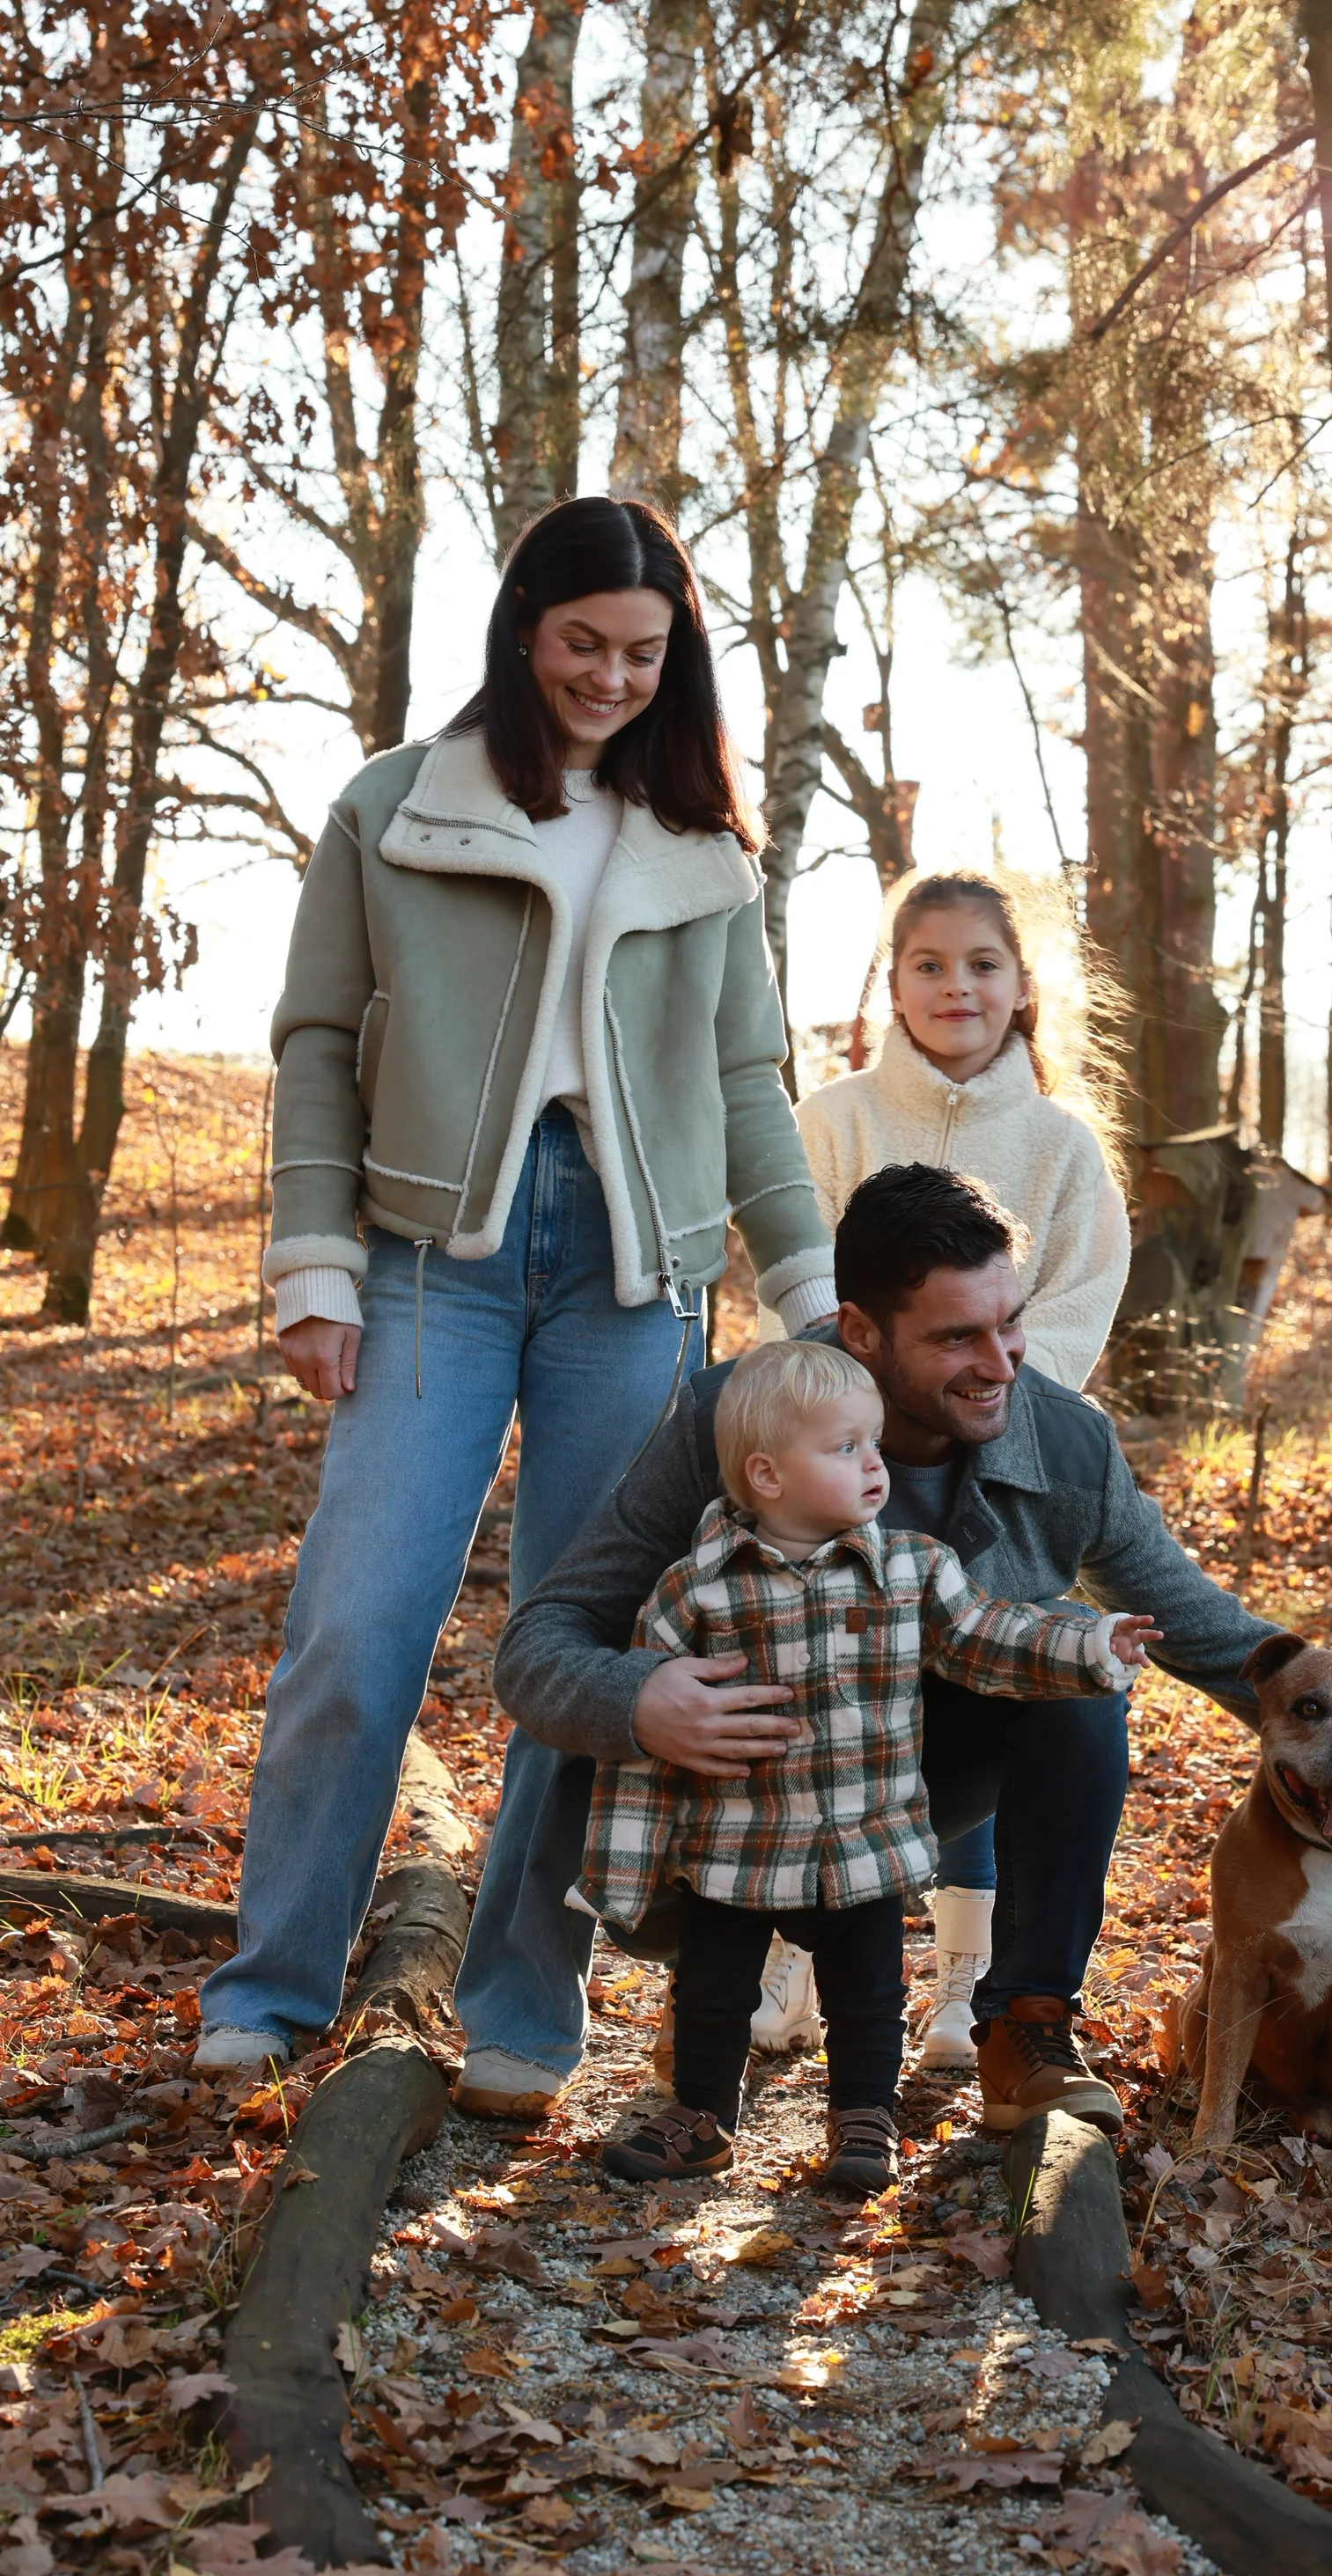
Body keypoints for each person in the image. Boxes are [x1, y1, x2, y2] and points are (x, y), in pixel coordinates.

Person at [195, 496, 835, 2111]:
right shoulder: (397, 807)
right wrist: (313, 1262)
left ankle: (523, 2009)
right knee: (359, 1624)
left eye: (645, 652)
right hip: (430, 1264)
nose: (612, 677)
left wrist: (808, 1286)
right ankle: (271, 1987)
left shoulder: (703, 850)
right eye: (582, 644)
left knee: (584, 1641)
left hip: (636, 1280)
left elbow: (747, 1084)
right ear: (523, 625)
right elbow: (319, 1043)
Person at [495, 1163, 1332, 2137]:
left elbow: (1225, 1643)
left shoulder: (1064, 1447)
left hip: (909, 1789)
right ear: (860, 1333)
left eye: (1008, 1322)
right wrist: (642, 1698)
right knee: (592, 1742)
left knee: (1078, 1669)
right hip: (730, 1796)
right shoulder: (735, 1418)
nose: (1001, 1361)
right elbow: (540, 1640)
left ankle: (1024, 2025)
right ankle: (637, 1993)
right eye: (955, 1337)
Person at [578, 1339, 1154, 2187]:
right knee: (711, 1989)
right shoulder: (694, 1591)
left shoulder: (913, 1570)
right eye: (846, 1447)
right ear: (768, 1476)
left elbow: (991, 1637)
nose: (876, 1465)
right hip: (735, 1841)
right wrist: (623, 1876)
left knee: (868, 1993)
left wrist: (1092, 1644)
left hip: (863, 1836)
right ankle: (701, 2116)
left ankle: (862, 2119)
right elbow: (645, 1746)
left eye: (874, 1442)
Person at [751, 870, 1134, 2070]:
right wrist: (846, 1421)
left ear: (1022, 988)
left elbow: (1076, 1300)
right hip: (840, 1463)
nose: (954, 985)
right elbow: (792, 1275)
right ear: (893, 984)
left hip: (1001, 1465)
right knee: (834, 1689)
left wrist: (991, 1406)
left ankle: (967, 1978)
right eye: (927, 964)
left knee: (990, 1670)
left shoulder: (1061, 1146)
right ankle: (792, 1952)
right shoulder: (833, 1121)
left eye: (981, 964)